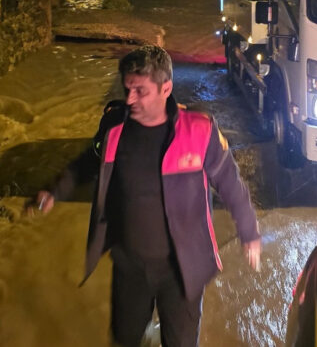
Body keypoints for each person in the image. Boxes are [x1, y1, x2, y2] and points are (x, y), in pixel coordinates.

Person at [26, 45, 262, 347]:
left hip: (182, 271)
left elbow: (230, 184)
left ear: (166, 88)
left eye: (140, 91)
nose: (130, 99)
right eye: (127, 89)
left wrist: (249, 232)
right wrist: (55, 191)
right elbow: (87, 162)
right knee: (125, 339)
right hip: (130, 267)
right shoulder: (114, 127)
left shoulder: (199, 131)